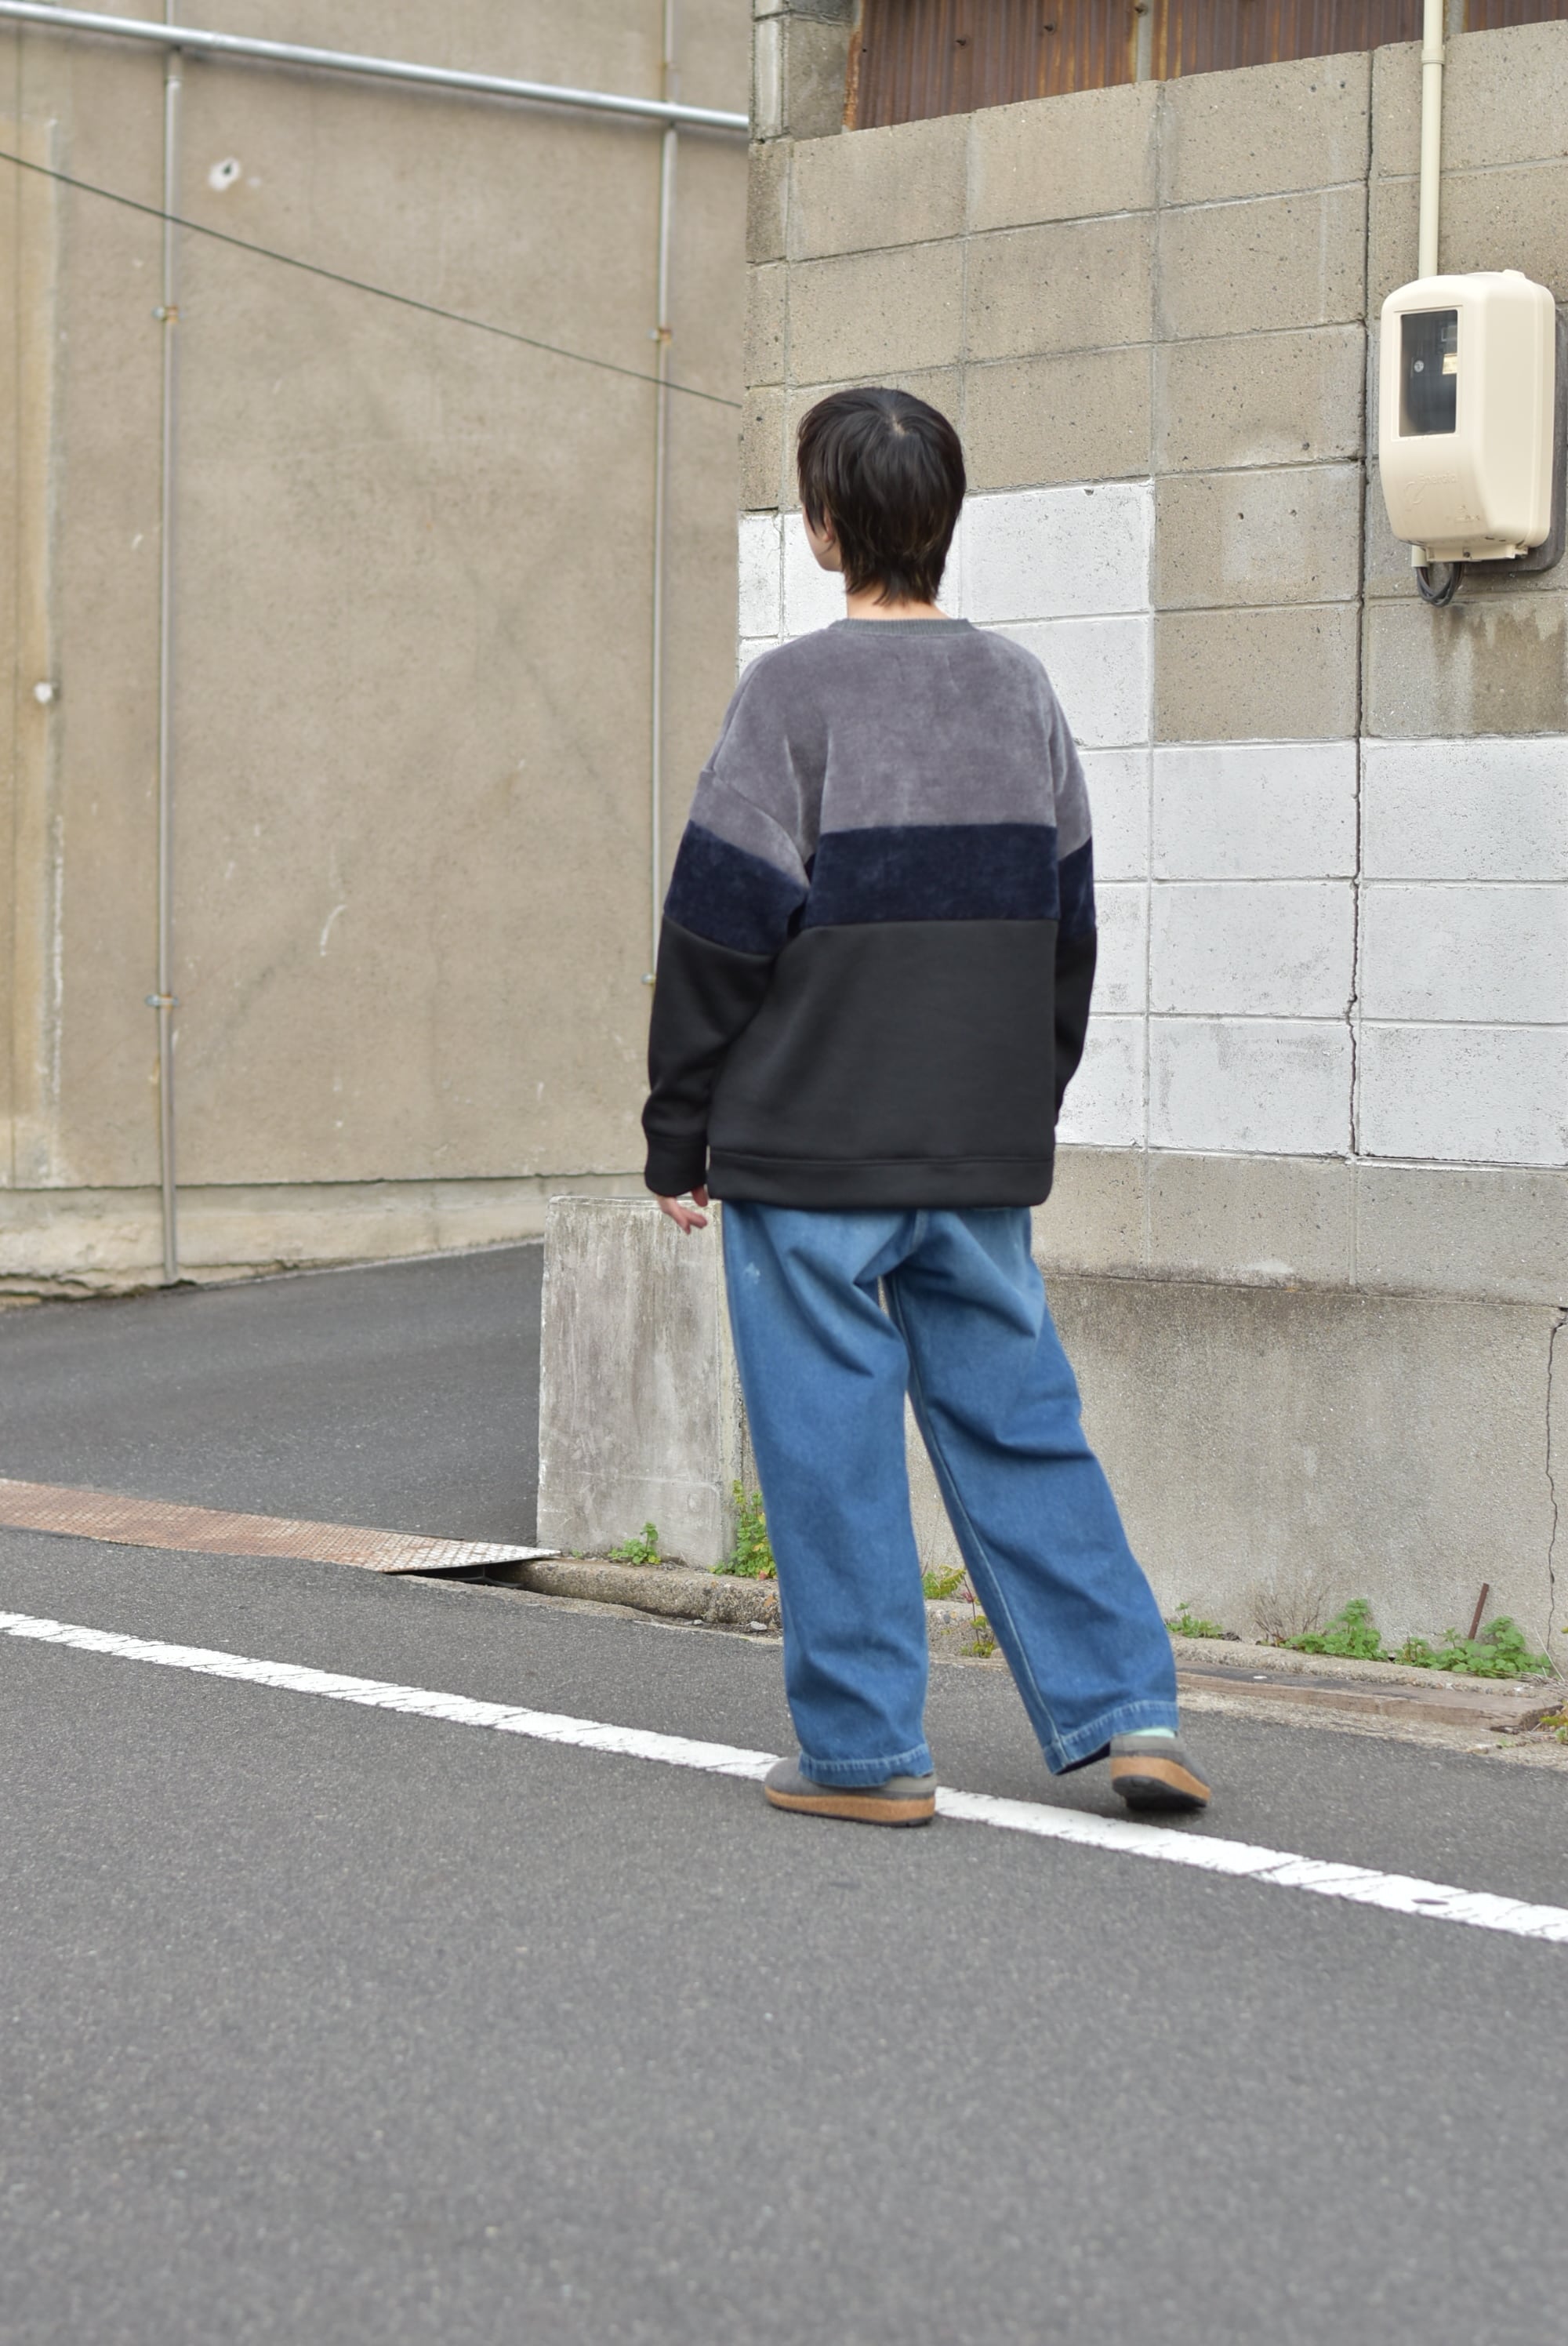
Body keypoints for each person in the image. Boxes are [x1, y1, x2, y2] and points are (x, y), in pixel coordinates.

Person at [641, 385, 1208, 1828]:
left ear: (825, 528)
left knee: (829, 1445)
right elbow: (1068, 931)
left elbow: (717, 927)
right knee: (1022, 1423)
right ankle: (1130, 1713)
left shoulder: (792, 696)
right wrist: (1020, 1106)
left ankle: (866, 1755)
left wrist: (675, 1130)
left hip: (808, 1151)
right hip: (975, 1146)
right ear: (947, 520)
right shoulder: (1021, 692)